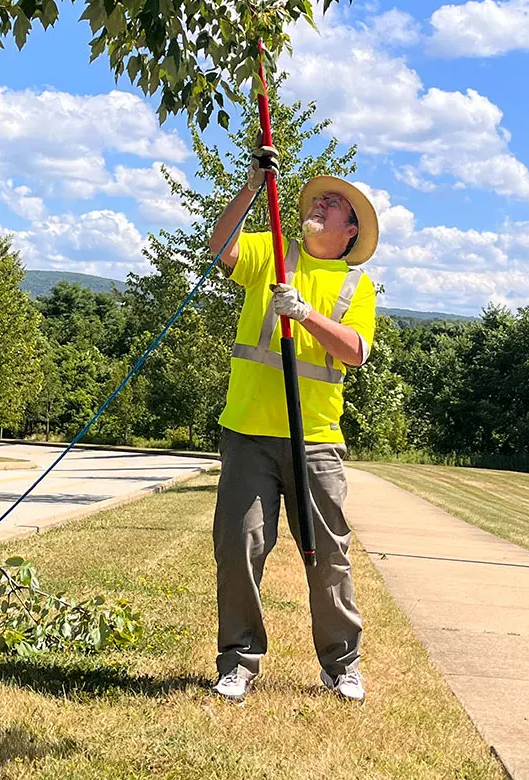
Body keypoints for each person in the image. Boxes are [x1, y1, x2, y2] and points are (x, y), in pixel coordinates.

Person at [207, 142, 378, 704]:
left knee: (327, 554)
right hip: (248, 432)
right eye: (320, 198)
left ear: (349, 231)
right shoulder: (272, 251)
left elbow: (354, 351)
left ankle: (341, 665)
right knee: (239, 546)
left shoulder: (357, 285)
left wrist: (305, 315)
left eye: (333, 204)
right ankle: (237, 661)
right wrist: (255, 185)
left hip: (316, 442)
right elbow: (221, 248)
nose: (321, 203)